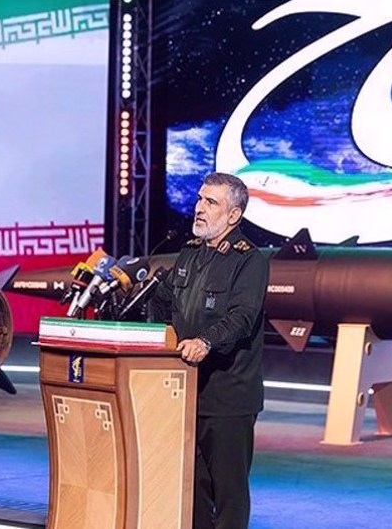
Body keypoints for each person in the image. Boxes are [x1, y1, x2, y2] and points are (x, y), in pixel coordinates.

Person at [150, 172, 268, 529]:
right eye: (200, 200)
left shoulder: (250, 260)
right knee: (192, 491)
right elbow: (162, 303)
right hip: (185, 393)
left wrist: (206, 342)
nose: (199, 209)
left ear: (233, 215)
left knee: (228, 495)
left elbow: (242, 318)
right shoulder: (189, 254)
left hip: (229, 397)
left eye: (211, 202)